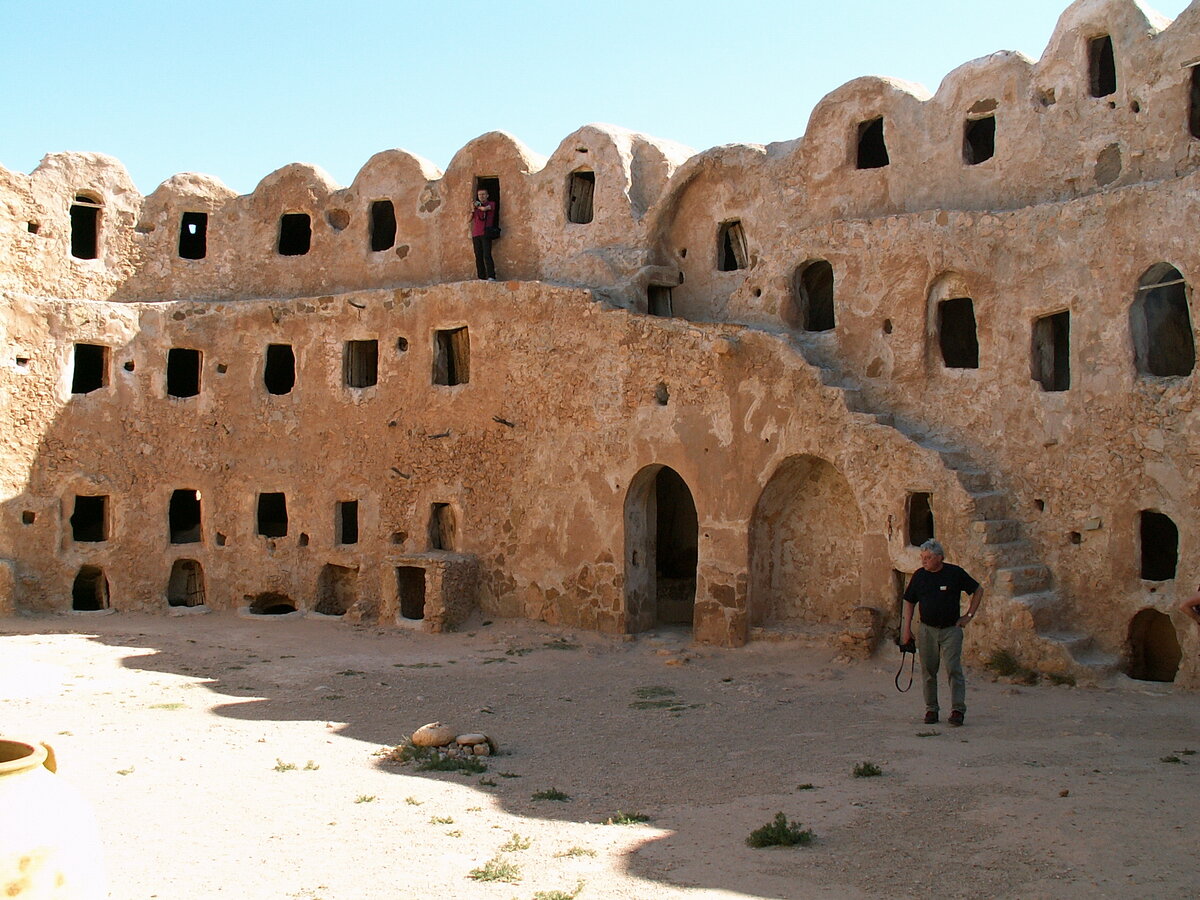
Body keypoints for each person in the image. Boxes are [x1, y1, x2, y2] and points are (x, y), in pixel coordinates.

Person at [900, 539, 983, 726]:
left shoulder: (954, 573)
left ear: (940, 558)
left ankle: (957, 710)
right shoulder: (919, 576)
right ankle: (931, 709)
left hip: (950, 629)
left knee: (953, 669)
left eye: (928, 557)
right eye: (922, 557)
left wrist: (968, 615)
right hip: (927, 630)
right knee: (928, 670)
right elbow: (909, 601)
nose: (924, 561)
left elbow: (978, 590)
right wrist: (907, 630)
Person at [470, 188, 497, 281]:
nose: (481, 196)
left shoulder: (491, 204)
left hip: (486, 233)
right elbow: (469, 219)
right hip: (476, 234)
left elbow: (485, 209)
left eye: (483, 194)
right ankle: (481, 277)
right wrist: (472, 210)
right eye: (479, 195)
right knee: (478, 256)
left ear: (487, 195)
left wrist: (478, 206)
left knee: (487, 254)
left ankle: (491, 276)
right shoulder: (476, 208)